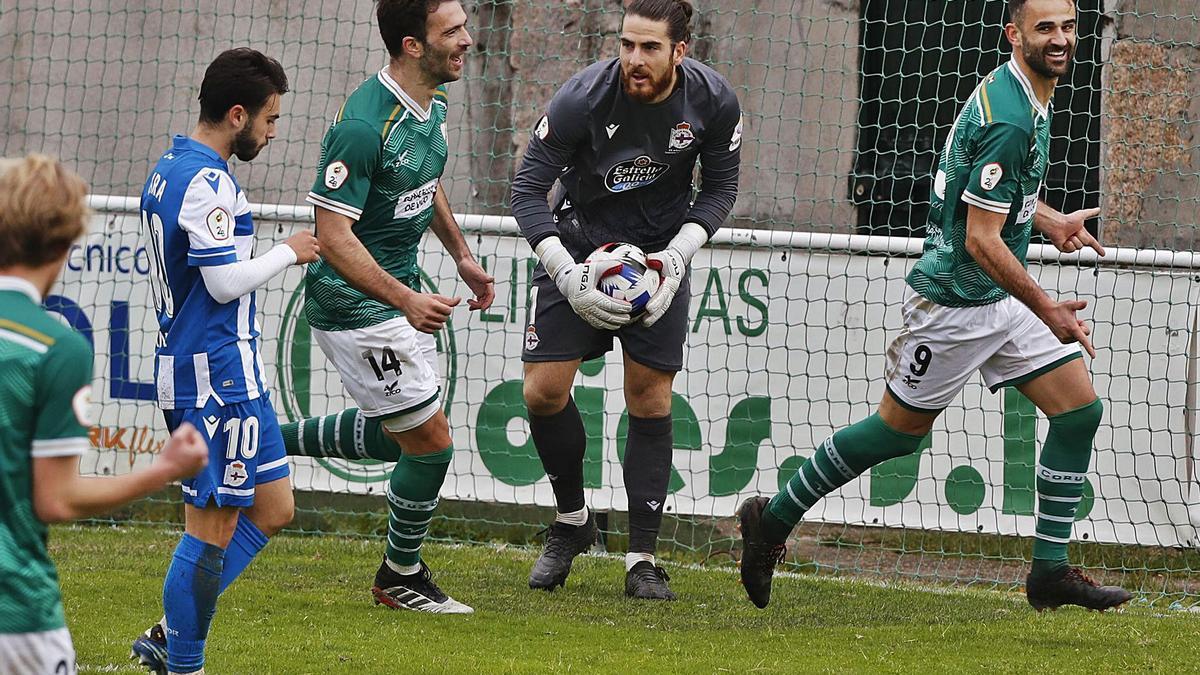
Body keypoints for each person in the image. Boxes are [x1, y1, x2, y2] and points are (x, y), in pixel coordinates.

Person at [737, 0, 1132, 613]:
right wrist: (1050, 308)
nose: (1060, 39)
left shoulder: (1021, 92)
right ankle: (775, 518)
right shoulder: (1012, 119)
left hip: (996, 294)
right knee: (896, 434)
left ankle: (1049, 571)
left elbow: (984, 198)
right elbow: (978, 238)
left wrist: (1048, 220)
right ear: (1015, 34)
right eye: (1044, 28)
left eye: (1068, 26)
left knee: (1079, 412)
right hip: (952, 304)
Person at [509, 0, 741, 600]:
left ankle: (642, 558)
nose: (634, 60)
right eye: (627, 45)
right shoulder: (581, 99)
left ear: (680, 52)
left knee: (649, 396)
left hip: (660, 260)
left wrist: (676, 257)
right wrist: (565, 273)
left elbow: (720, 189)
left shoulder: (714, 102)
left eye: (650, 48)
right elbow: (528, 191)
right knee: (542, 390)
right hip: (579, 251)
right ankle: (572, 522)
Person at [280, 0, 493, 614]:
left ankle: (264, 438)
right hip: (355, 302)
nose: (468, 41)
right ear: (412, 45)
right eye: (451, 32)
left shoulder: (436, 104)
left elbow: (425, 182)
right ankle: (399, 577)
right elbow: (332, 235)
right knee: (432, 445)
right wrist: (405, 300)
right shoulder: (362, 125)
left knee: (405, 437)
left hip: (396, 293)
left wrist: (460, 254)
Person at [130, 48, 320, 675]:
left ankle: (169, 632)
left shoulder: (170, 167)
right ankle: (183, 660)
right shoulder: (207, 181)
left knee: (273, 508)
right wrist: (290, 252)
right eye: (269, 119)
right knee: (208, 527)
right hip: (213, 375)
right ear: (237, 115)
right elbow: (220, 283)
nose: (272, 131)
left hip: (229, 369)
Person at [0, 154, 208, 675]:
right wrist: (162, 470)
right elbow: (55, 498)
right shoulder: (55, 348)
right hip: (17, 614)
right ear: (69, 241)